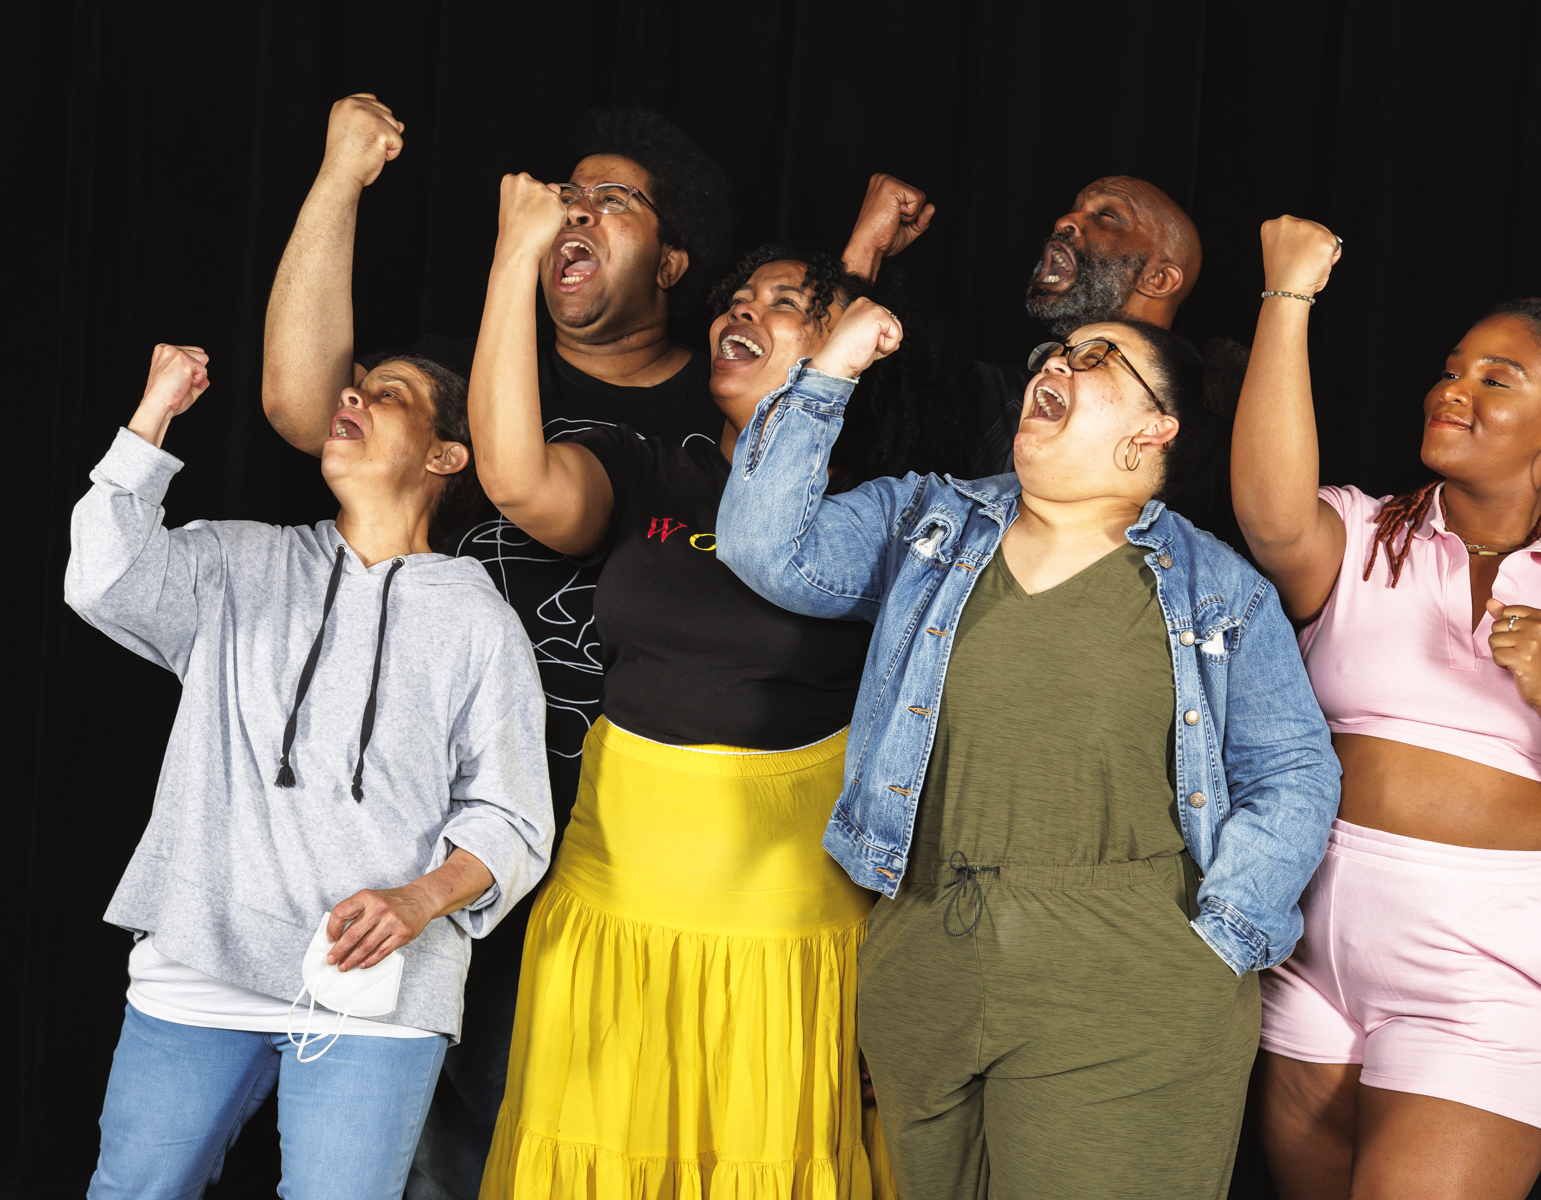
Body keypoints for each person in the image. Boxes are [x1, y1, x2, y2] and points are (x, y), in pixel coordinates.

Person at [716, 301, 1342, 1198]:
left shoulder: (1217, 590)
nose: (1056, 361)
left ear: (1152, 430)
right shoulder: (928, 523)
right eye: (1053, 349)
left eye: (1094, 358)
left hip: (1128, 976)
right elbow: (764, 547)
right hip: (927, 953)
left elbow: (1293, 770)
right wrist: (831, 369)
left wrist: (1217, 940)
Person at [260, 94, 735, 1199]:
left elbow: (536, 496)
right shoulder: (456, 371)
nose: (574, 214)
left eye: (612, 205)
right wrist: (339, 178)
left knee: (549, 1142)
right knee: (405, 1144)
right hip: (416, 825)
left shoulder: (706, 419)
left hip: (609, 850)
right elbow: (296, 404)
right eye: (565, 198)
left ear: (672, 263)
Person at [465, 164, 972, 1196]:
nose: (746, 309)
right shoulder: (654, 467)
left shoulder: (881, 521)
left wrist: (853, 275)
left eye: (786, 305)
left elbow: (833, 372)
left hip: (785, 939)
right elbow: (516, 479)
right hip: (612, 913)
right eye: (740, 299)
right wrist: (515, 252)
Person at [1231, 218, 1541, 1199]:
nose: (1453, 389)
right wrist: (1289, 299)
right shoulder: (1362, 534)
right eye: (1452, 369)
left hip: (1484, 965)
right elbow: (1273, 517)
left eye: (1497, 378)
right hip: (1311, 941)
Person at [68, 343, 553, 1200]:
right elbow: (101, 578)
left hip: (377, 994)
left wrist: (417, 900)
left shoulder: (480, 621)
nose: (352, 398)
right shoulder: (236, 562)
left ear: (446, 456)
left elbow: (513, 818)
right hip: (199, 962)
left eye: (388, 395)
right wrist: (154, 417)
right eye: (352, 389)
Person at [842, 172, 1244, 537]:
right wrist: (866, 250)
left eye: (1107, 215)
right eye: (1075, 207)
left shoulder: (1220, 437)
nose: (1065, 220)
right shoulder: (1002, 397)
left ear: (1159, 278)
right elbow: (843, 383)